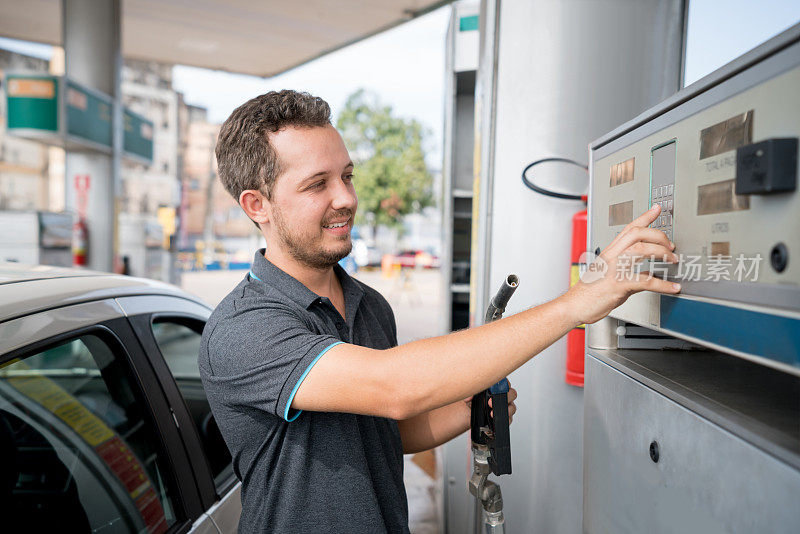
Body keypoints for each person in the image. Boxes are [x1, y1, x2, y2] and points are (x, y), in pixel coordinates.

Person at [199, 90, 680, 533]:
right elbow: (393, 388)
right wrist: (579, 302)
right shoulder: (244, 328)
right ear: (257, 204)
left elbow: (390, 431)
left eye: (346, 176)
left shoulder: (370, 306)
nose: (346, 198)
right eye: (317, 184)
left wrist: (467, 408)